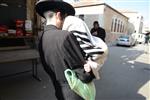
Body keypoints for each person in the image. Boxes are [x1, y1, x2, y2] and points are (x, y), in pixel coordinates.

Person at [35, 0, 95, 100]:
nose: (64, 22)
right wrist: (91, 70)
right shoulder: (65, 36)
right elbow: (84, 75)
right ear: (58, 15)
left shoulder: (41, 38)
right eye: (65, 18)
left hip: (58, 90)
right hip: (75, 93)